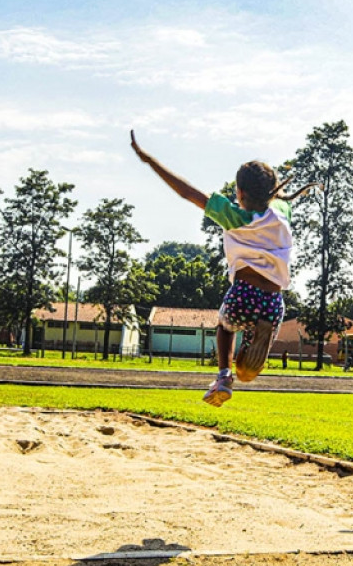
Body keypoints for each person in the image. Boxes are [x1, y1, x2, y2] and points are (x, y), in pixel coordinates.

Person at [131, 130, 315, 406]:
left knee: (225, 327)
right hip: (274, 302)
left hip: (244, 294)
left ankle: (224, 376)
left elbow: (187, 192)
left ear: (239, 194)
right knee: (248, 367)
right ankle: (249, 355)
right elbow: (275, 198)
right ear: (272, 192)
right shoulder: (282, 214)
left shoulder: (234, 215)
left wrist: (149, 161)